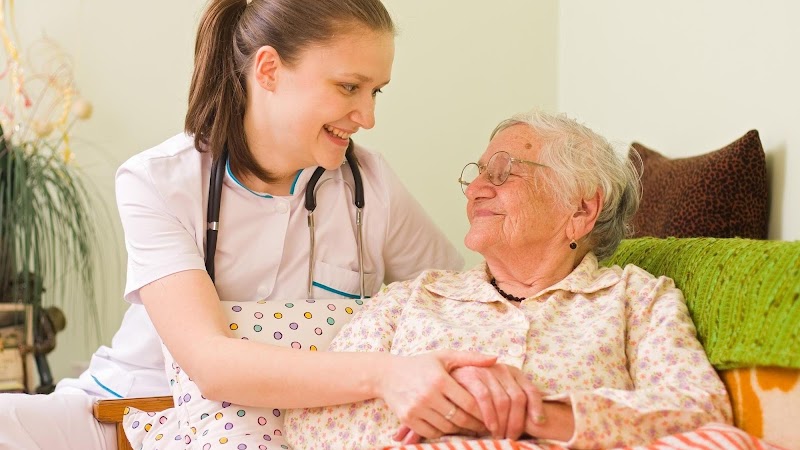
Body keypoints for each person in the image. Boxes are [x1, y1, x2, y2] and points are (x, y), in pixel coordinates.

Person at [0, 1, 505, 449]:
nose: (367, 116)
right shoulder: (159, 181)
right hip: (131, 411)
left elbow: (456, 304)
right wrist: (386, 375)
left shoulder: (370, 187)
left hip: (295, 426)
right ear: (268, 70)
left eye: (377, 91)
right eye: (349, 87)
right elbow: (212, 365)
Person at [283, 110, 733, 449]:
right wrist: (446, 405)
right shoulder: (411, 299)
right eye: (477, 173)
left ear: (580, 210)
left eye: (501, 172)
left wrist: (530, 416)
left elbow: (701, 411)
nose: (476, 188)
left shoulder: (638, 299)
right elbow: (307, 422)